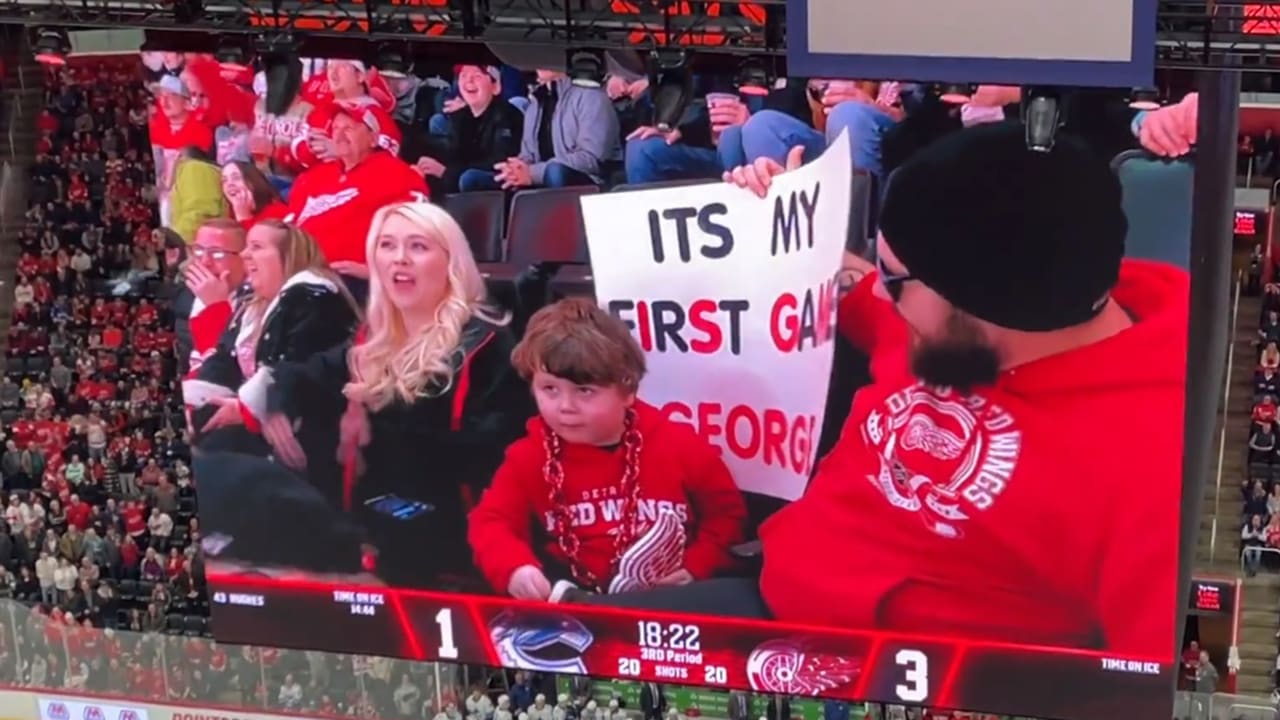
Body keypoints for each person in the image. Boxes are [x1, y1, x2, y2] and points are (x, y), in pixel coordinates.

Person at [599, 123, 1188, 659]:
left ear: (980, 304)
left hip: (889, 670)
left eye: (894, 281)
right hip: (769, 590)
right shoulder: (957, 326)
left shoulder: (1155, 471)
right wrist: (781, 225)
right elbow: (853, 288)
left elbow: (1145, 684)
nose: (878, 296)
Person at [218, 202, 534, 586]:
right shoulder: (373, 338)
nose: (399, 259)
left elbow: (493, 456)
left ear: (451, 262)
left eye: (418, 247)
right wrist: (279, 403)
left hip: (454, 548)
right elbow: (302, 374)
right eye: (387, 246)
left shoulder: (487, 343)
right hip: (374, 532)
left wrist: (376, 418)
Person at [468, 298, 746, 600]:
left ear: (626, 391)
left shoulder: (680, 445)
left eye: (584, 391)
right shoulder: (527, 457)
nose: (565, 407)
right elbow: (491, 522)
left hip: (670, 601)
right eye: (550, 389)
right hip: (575, 601)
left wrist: (697, 566)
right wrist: (515, 568)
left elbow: (728, 517)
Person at [286, 102, 429, 300]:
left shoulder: (397, 174)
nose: (339, 135)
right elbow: (287, 229)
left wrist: (376, 271)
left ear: (373, 139)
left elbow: (419, 231)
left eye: (349, 128)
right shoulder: (311, 178)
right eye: (335, 128)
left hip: (353, 283)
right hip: (299, 277)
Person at [459, 69, 621, 191]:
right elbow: (528, 155)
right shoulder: (536, 102)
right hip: (537, 178)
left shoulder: (591, 97)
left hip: (588, 182)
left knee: (555, 172)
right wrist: (516, 169)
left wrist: (533, 173)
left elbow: (590, 160)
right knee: (471, 179)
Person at [221, 160, 289, 231]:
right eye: (224, 180)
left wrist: (243, 218)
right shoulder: (231, 215)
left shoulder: (278, 211)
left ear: (253, 181)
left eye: (236, 178)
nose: (229, 184)